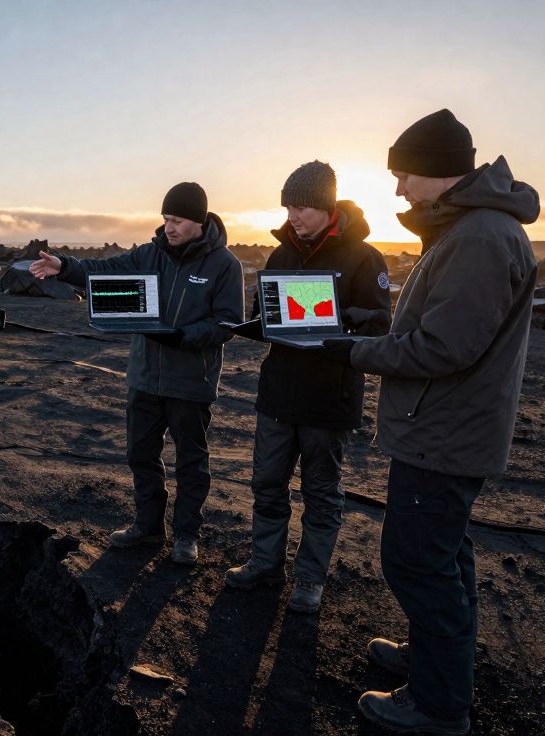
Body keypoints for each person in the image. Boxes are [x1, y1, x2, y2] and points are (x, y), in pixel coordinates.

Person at [316, 109, 539, 735]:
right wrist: (375, 328)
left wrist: (353, 351)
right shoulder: (472, 229)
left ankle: (439, 706)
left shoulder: (479, 238)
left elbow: (444, 349)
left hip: (446, 430)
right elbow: (437, 330)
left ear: (439, 173)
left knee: (416, 562)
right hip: (448, 425)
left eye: (405, 175)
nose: (399, 190)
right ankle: (438, 660)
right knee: (444, 554)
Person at [30, 182, 243, 565]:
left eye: (176, 220)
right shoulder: (149, 254)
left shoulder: (225, 264)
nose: (169, 227)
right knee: (140, 454)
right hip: (145, 376)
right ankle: (147, 527)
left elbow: (228, 323)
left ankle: (185, 536)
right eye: (165, 219)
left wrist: (183, 336)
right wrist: (66, 268)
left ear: (198, 220)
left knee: (191, 462)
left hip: (190, 382)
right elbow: (106, 270)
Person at [223, 161, 391, 615]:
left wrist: (333, 319)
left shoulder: (364, 257)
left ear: (326, 205)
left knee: (321, 492)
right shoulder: (280, 256)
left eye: (301, 207)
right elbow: (269, 311)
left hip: (329, 397)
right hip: (278, 393)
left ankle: (310, 581)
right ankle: (265, 564)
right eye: (287, 206)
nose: (292, 215)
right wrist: (259, 322)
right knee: (267, 483)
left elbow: (380, 325)